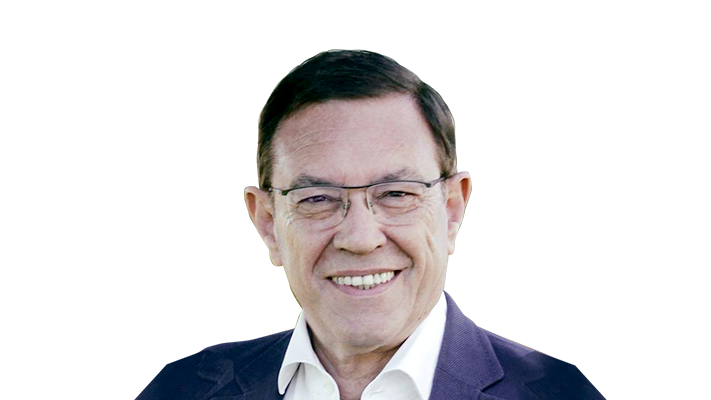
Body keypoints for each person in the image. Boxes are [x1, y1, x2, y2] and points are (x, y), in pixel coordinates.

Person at [142, 51, 597, 400]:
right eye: (317, 199)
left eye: (396, 193)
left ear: (452, 209)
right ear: (267, 222)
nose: (360, 239)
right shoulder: (171, 389)